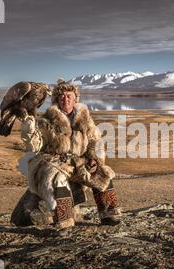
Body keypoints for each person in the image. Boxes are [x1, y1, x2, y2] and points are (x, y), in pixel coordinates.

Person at [13, 80, 121, 228]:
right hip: (52, 162)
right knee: (58, 179)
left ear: (75, 98)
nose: (66, 99)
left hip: (78, 162)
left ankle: (109, 215)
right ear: (57, 99)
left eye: (69, 95)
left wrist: (94, 160)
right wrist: (28, 127)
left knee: (103, 174)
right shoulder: (46, 120)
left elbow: (95, 141)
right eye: (61, 96)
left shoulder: (85, 119)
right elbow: (35, 145)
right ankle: (64, 221)